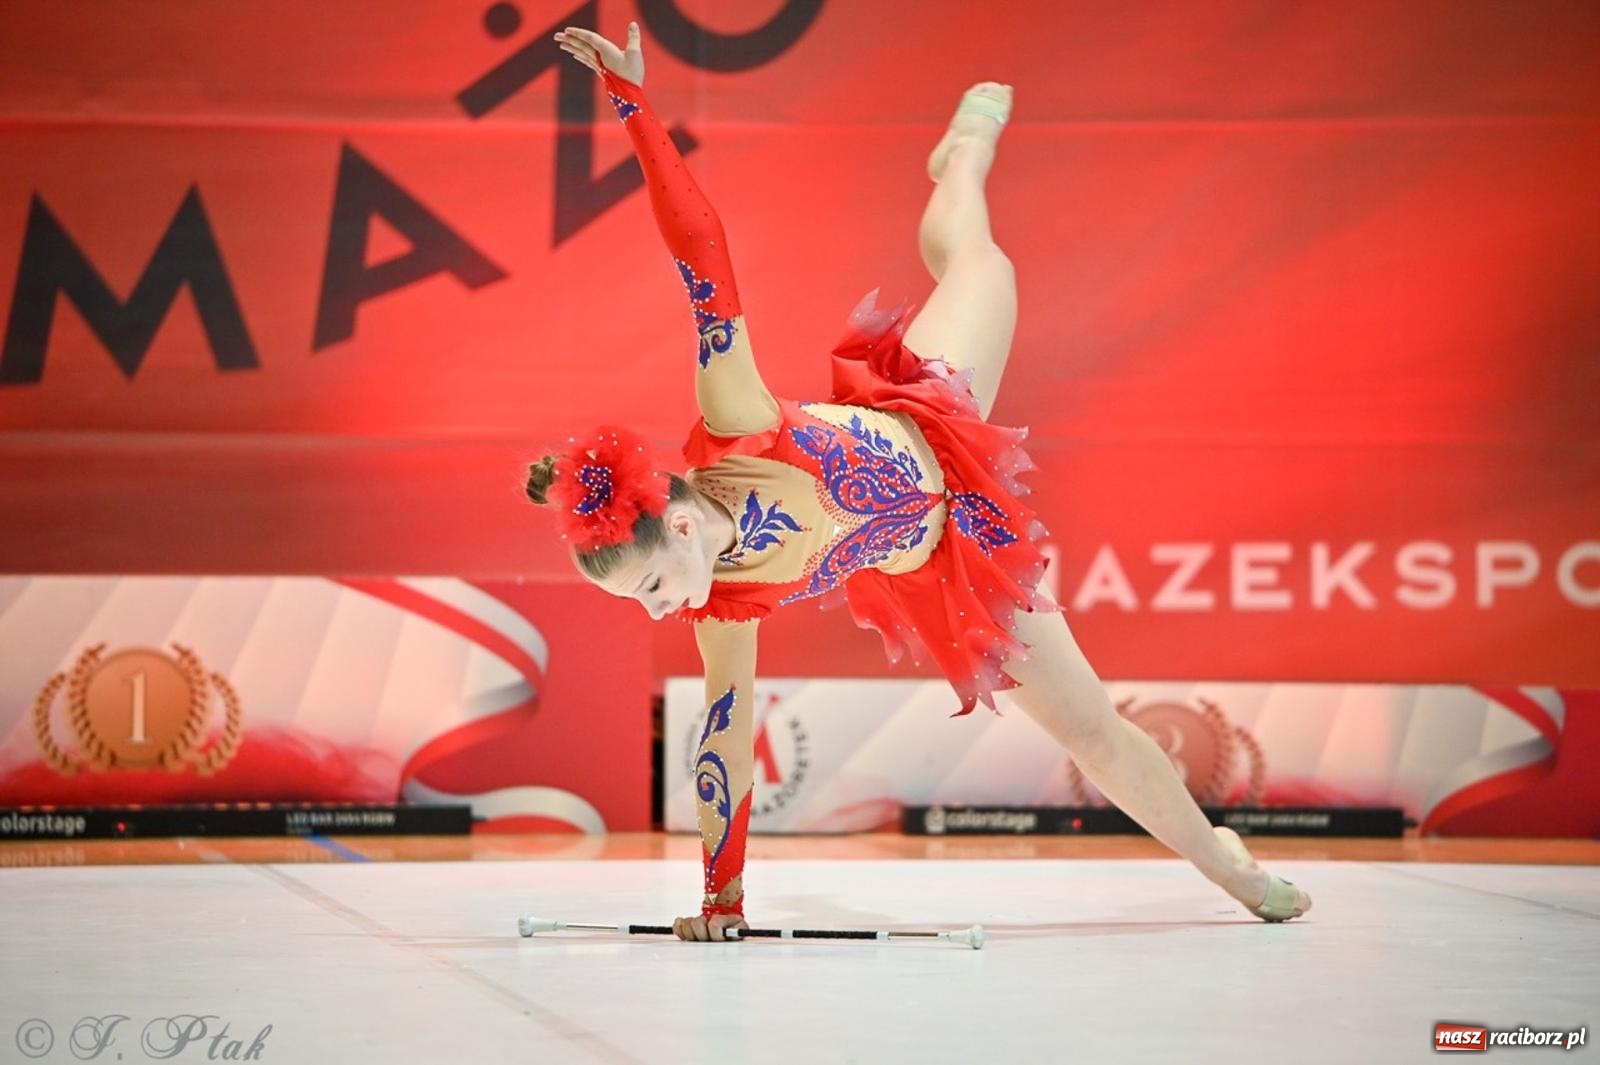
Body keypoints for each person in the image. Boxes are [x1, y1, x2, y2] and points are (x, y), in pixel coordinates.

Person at [529, 22, 1312, 942]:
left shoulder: (736, 423)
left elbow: (701, 249)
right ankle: (1230, 863)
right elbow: (726, 746)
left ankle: (962, 162)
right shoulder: (724, 607)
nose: (661, 612)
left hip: (934, 411)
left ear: (685, 527)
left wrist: (633, 103)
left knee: (984, 263)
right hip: (953, 557)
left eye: (654, 587)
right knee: (1090, 727)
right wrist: (721, 900)